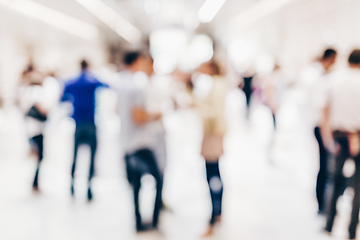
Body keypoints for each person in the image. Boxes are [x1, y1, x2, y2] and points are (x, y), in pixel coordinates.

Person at [115, 52, 163, 232]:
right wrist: (157, 114)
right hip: (140, 143)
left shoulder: (119, 83)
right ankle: (155, 219)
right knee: (158, 179)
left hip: (126, 142)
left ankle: (137, 221)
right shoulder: (135, 86)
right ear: (136, 62)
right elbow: (139, 117)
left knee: (135, 185)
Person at [322, 49, 360, 240]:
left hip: (338, 136)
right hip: (358, 136)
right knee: (357, 186)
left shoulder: (335, 80)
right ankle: (351, 230)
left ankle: (329, 224)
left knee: (334, 181)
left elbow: (325, 110)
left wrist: (327, 137)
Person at [61, 60, 108, 201]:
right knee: (91, 157)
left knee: (75, 156)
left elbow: (63, 97)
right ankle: (89, 188)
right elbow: (106, 85)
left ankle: (72, 186)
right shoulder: (92, 81)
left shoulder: (71, 81)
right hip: (90, 123)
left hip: (78, 123)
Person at [299, 48, 337, 214]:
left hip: (318, 123)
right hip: (320, 124)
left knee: (325, 164)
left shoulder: (320, 75)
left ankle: (324, 202)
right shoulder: (317, 77)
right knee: (325, 165)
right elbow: (320, 105)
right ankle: (323, 203)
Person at [195, 61, 228, 236]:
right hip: (213, 132)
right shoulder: (218, 84)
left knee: (212, 175)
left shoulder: (216, 86)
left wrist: (197, 105)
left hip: (212, 133)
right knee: (214, 173)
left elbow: (214, 112)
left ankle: (214, 216)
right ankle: (218, 212)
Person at [18, 66, 60, 192]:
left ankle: (35, 181)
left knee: (39, 157)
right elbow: (43, 108)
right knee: (40, 157)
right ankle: (35, 182)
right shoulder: (36, 90)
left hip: (30, 127)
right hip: (36, 128)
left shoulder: (27, 90)